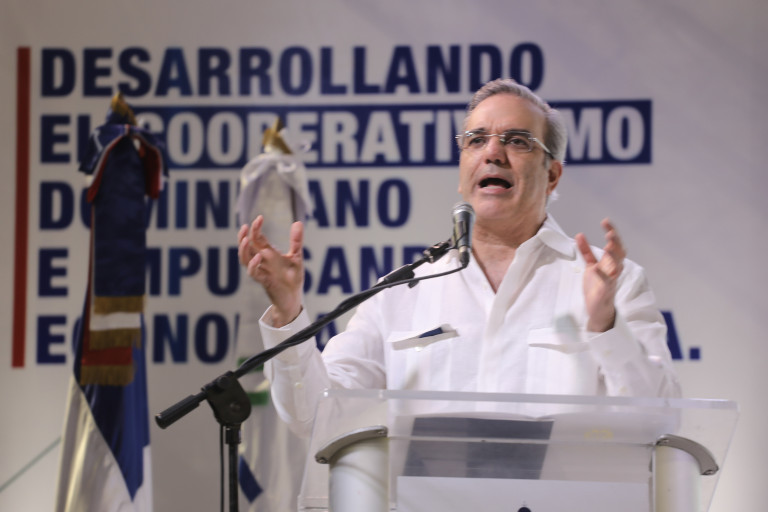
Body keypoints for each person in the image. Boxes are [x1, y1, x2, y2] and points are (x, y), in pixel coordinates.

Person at [237, 78, 681, 436]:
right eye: (476, 140)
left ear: (552, 175)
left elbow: (661, 420)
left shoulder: (611, 283)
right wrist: (288, 312)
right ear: (462, 170)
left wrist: (604, 325)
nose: (493, 153)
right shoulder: (402, 291)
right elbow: (316, 417)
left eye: (517, 141)